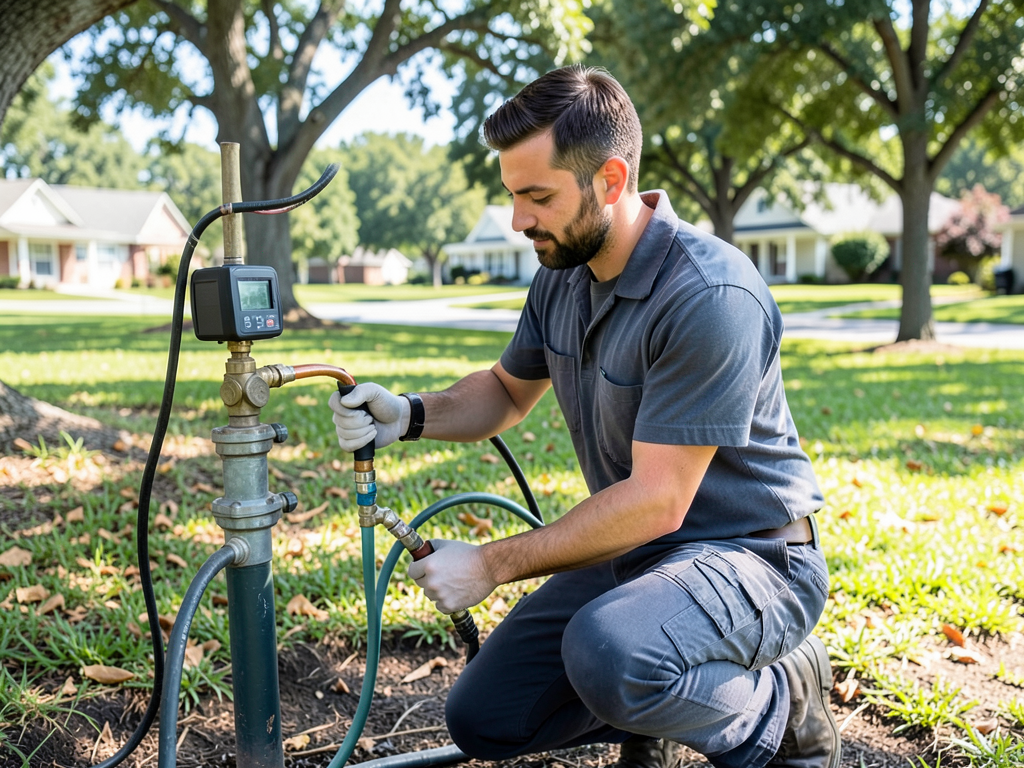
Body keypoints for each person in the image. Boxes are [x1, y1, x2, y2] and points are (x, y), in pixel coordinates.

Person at [328, 64, 840, 768]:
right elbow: (506, 392)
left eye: (538, 196)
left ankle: (783, 702)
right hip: (641, 558)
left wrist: (489, 564)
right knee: (487, 718)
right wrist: (409, 414)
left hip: (755, 558)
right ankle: (656, 709)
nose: (519, 221)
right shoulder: (562, 274)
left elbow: (658, 501)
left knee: (610, 652)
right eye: (513, 195)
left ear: (611, 179)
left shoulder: (709, 293)